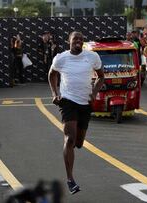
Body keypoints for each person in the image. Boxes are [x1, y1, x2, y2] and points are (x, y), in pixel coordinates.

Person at [48, 31, 104, 194]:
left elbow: (101, 77)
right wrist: (55, 93)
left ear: (83, 42)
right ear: (69, 42)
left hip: (85, 103)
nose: (78, 41)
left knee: (79, 143)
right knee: (70, 139)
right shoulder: (61, 58)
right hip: (67, 101)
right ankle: (70, 179)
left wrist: (94, 93)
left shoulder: (92, 57)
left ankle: (75, 146)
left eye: (81, 39)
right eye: (75, 39)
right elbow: (52, 74)